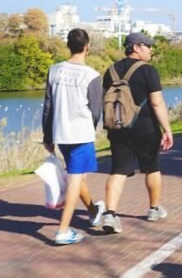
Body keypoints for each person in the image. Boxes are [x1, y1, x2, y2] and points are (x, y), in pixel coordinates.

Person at [99, 32, 174, 234]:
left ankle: (110, 214)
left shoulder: (111, 70)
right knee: (151, 167)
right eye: (148, 46)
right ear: (137, 47)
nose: (151, 50)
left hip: (118, 127)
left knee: (118, 170)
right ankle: (154, 208)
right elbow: (157, 102)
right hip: (145, 126)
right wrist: (167, 129)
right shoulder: (148, 71)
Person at [41, 28, 106, 245]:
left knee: (76, 176)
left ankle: (92, 210)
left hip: (61, 133)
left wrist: (47, 136)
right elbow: (96, 110)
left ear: (68, 46)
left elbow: (48, 106)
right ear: (87, 47)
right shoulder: (92, 75)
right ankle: (63, 230)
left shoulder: (54, 71)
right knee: (75, 180)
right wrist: (93, 128)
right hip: (81, 133)